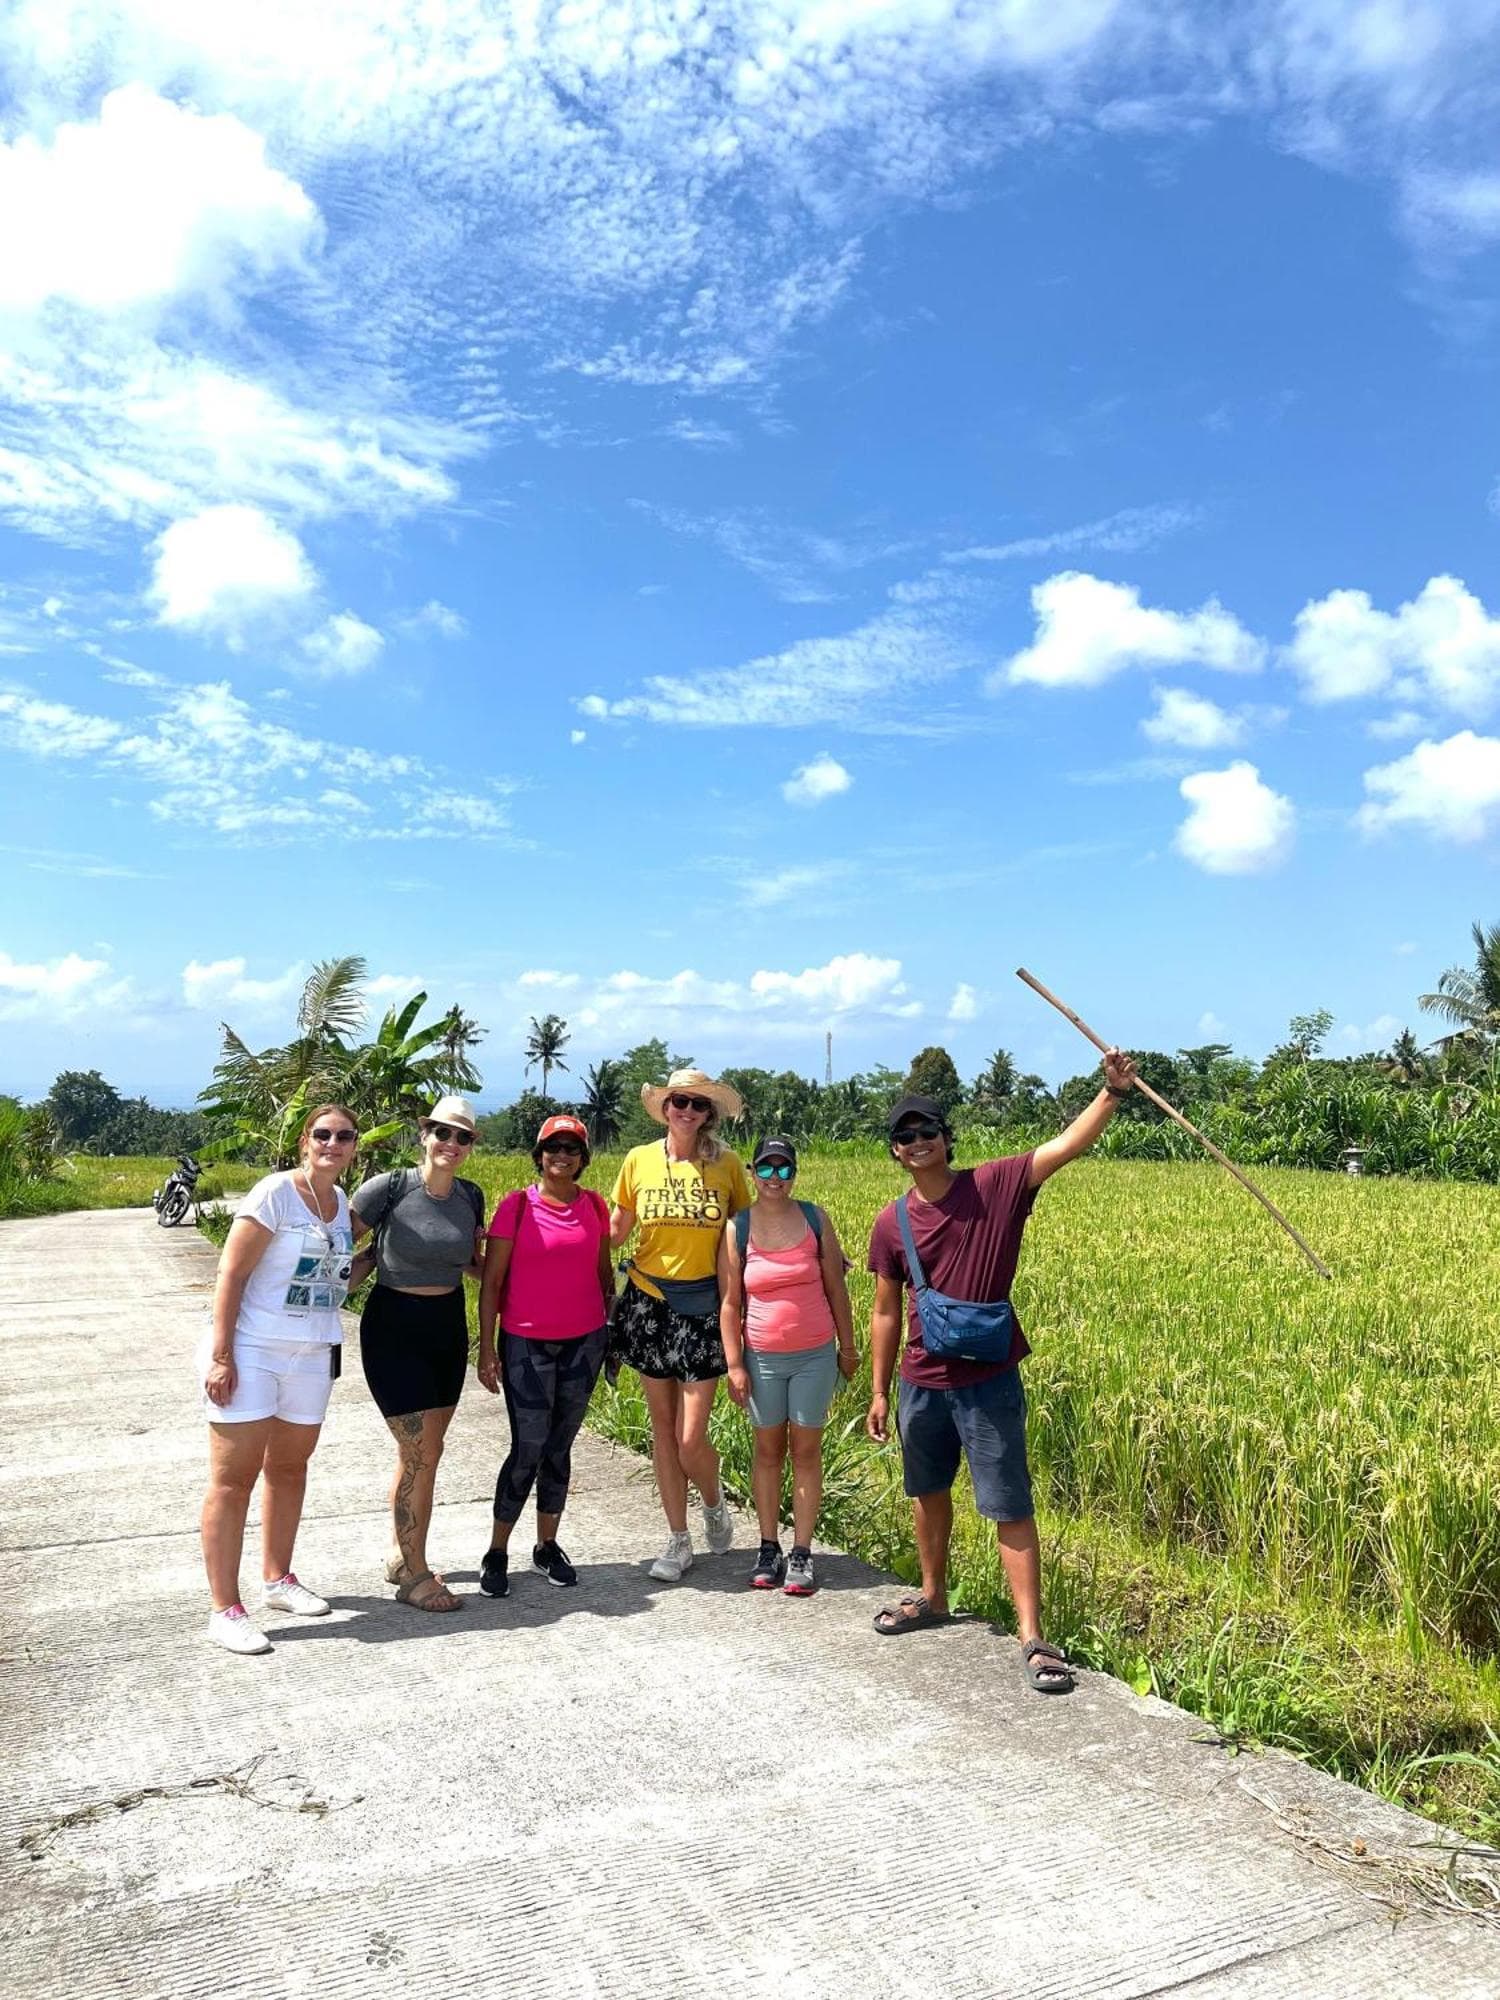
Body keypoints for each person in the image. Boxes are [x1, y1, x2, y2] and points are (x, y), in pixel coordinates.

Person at [865, 1054, 1138, 1692]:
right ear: (896, 1151)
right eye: (905, 1136)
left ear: (946, 1138)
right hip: (921, 1379)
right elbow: (884, 1311)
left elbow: (1066, 1146)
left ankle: (1032, 1635)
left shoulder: (995, 1185)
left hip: (987, 1381)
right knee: (927, 1492)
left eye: (927, 1130)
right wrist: (878, 1390)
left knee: (1008, 1501)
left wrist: (1111, 1093)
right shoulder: (890, 1222)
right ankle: (933, 1596)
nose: (917, 1142)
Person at [198, 1104, 358, 1654]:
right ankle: (224, 1609)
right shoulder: (275, 1194)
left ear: (354, 1146)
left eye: (344, 1136)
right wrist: (222, 1355)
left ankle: (278, 1579)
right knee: (233, 1479)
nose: (332, 1143)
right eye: (323, 1134)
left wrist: (385, 1255)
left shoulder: (341, 1206)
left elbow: (331, 1283)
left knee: (290, 1468)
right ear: (304, 1141)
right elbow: (231, 1272)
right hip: (254, 1349)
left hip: (312, 1353)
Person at [610, 1067, 752, 1582]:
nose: (687, 1111)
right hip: (648, 1302)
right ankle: (677, 1538)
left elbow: (747, 1231)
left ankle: (712, 1501)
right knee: (663, 1431)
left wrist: (815, 1249)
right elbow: (616, 1228)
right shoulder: (638, 1160)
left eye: (697, 1104)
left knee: (690, 1437)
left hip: (704, 1308)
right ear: (665, 1109)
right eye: (679, 1102)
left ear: (708, 1114)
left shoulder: (727, 1165)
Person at [349, 1095, 485, 1614]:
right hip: (394, 1326)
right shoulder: (387, 1188)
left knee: (425, 1452)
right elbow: (334, 1245)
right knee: (420, 1453)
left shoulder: (471, 1196)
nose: (452, 1143)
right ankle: (415, 1575)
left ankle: (399, 1554)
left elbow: (474, 1263)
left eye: (463, 1137)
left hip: (447, 1327)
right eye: (443, 1133)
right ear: (424, 1135)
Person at [475, 1114, 613, 1597]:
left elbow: (604, 1275)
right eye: (553, 1147)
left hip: (585, 1342)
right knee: (528, 1446)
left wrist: (612, 1335)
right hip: (526, 1344)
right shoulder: (516, 1207)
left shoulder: (594, 1205)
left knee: (559, 1446)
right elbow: (492, 1282)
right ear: (539, 1155)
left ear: (583, 1158)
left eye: (572, 1148)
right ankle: (497, 1551)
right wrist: (486, 1347)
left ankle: (546, 1546)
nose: (562, 1156)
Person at [719, 1136, 858, 1596]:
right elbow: (730, 1302)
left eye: (783, 1169)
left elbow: (837, 1288)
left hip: (814, 1355)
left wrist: (848, 1348)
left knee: (806, 1451)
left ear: (794, 1174)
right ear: (753, 1174)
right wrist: (735, 1364)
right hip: (761, 1358)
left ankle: (801, 1551)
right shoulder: (738, 1227)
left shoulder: (816, 1219)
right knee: (767, 1451)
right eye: (766, 1169)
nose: (774, 1178)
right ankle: (767, 1547)